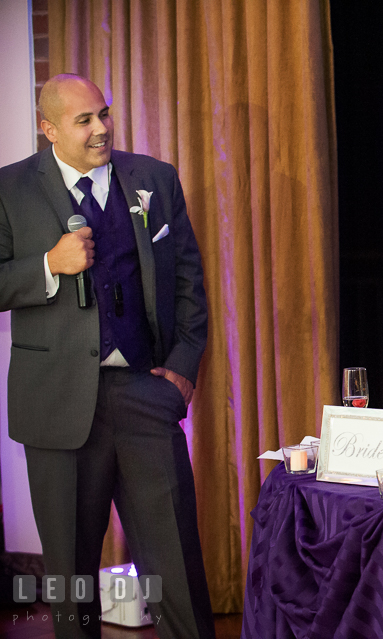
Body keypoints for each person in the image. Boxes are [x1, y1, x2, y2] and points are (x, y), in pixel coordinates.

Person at [0, 74, 214, 638]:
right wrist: (48, 265)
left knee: (178, 575)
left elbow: (191, 283)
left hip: (146, 396)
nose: (102, 129)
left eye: (104, 114)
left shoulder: (155, 180)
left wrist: (182, 373)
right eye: (84, 120)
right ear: (48, 130)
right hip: (58, 410)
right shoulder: (9, 189)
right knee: (72, 586)